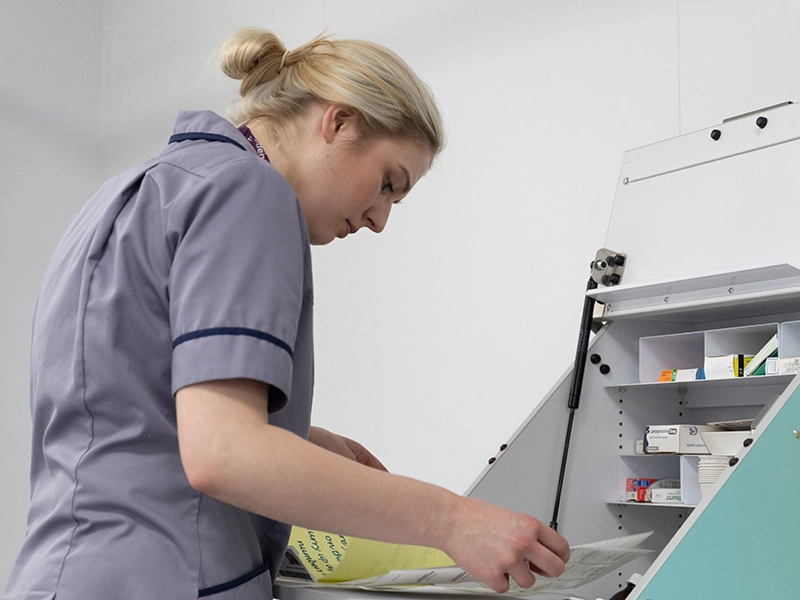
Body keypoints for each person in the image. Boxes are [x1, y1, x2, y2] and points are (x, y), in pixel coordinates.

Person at [4, 27, 569, 600]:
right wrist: (453, 521)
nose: (379, 220)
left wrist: (304, 437)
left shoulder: (136, 189)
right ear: (339, 122)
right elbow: (225, 454)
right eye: (387, 184)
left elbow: (126, 409)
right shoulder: (250, 190)